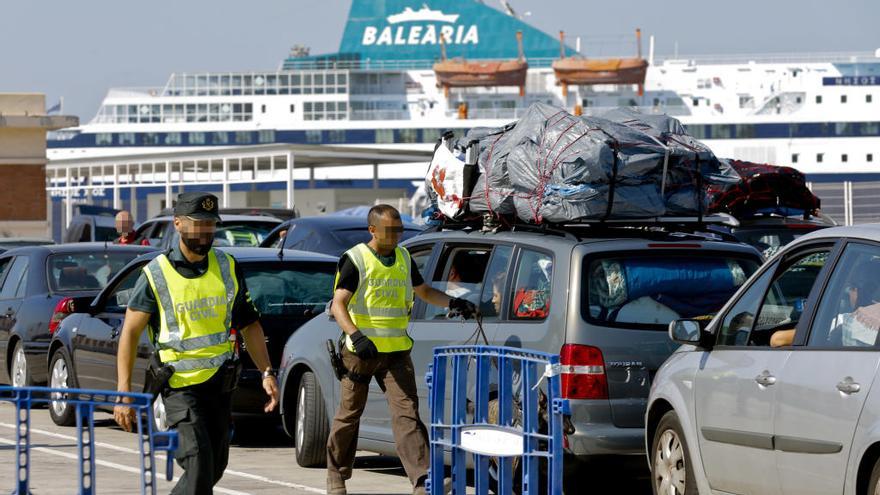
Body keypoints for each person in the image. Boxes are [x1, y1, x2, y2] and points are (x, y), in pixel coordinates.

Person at [113, 192, 279, 495]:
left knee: (213, 467)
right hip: (179, 389)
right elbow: (130, 333)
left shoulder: (227, 266)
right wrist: (123, 394)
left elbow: (249, 325)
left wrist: (267, 372)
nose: (205, 232)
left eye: (210, 225)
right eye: (198, 224)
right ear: (178, 224)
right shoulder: (155, 274)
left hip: (219, 386)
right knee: (199, 461)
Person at [327, 204, 475, 495]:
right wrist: (356, 336)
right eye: (389, 231)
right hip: (361, 353)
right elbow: (338, 303)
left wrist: (454, 303)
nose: (395, 236)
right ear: (372, 230)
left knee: (407, 413)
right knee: (349, 415)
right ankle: (336, 476)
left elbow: (424, 292)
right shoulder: (356, 260)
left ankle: (422, 481)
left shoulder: (405, 257)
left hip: (396, 352)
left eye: (399, 230)